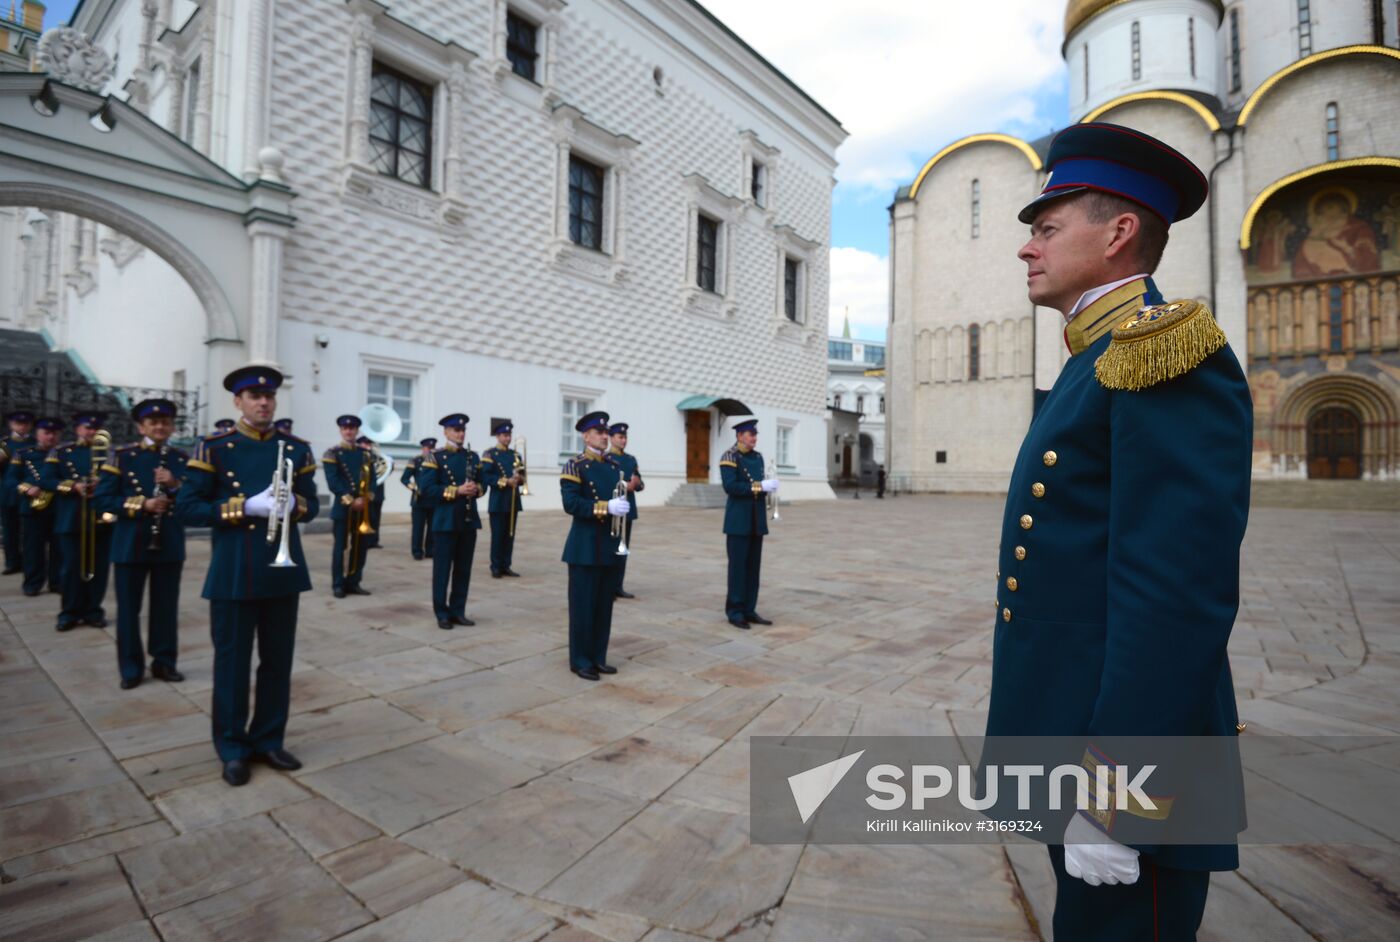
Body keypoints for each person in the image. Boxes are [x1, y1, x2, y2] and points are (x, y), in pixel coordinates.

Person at [985, 122, 1252, 939]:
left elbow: (1173, 598)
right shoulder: (1093, 360)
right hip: (1074, 727)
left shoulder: (1163, 354)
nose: (1028, 249)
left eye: (1047, 228)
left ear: (1119, 232)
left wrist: (1118, 800)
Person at [175, 365, 319, 787]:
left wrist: (295, 505)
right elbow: (188, 509)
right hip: (235, 570)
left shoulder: (296, 449)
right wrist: (243, 507)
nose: (263, 403)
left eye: (269, 396)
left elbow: (311, 503)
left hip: (282, 571)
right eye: (253, 397)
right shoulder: (215, 448)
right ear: (237, 402)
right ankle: (233, 747)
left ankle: (269, 739)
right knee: (232, 664)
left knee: (277, 663)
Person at [95, 399, 188, 689]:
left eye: (165, 422)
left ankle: (164, 662)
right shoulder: (121, 457)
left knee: (165, 608)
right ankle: (131, 667)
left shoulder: (181, 459)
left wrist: (174, 485)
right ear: (141, 426)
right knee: (128, 610)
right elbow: (102, 500)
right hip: (131, 543)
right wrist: (142, 504)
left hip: (169, 542)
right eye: (153, 422)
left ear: (172, 426)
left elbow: (195, 501)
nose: (160, 427)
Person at [559, 411, 628, 680]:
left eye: (605, 432)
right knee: (583, 607)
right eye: (599, 432)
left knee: (603, 607)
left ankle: (599, 656)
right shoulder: (574, 466)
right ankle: (580, 660)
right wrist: (605, 506)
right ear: (586, 436)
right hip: (585, 546)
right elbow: (571, 504)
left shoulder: (613, 466)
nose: (604, 436)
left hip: (608, 545)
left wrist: (620, 506)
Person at [44, 412, 114, 631]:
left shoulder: (110, 454)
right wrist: (73, 486)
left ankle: (93, 611)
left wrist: (102, 485)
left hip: (101, 518)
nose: (91, 432)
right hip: (72, 517)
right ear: (77, 429)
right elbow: (46, 479)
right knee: (72, 568)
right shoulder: (61, 452)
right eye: (86, 428)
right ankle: (69, 612)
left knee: (99, 569)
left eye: (95, 428)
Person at [417, 413, 482, 629]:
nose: (460, 433)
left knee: (463, 569)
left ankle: (458, 610)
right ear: (445, 432)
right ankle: (441, 612)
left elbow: (483, 484)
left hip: (467, 519)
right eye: (456, 430)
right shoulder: (434, 457)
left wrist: (476, 489)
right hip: (445, 521)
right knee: (442, 569)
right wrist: (457, 490)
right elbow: (427, 490)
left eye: (463, 430)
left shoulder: (473, 456)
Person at [719, 418, 777, 629]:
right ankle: (735, 611)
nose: (754, 438)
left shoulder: (758, 457)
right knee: (738, 569)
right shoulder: (729, 457)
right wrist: (760, 486)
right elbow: (731, 486)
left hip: (756, 520)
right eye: (751, 434)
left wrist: (768, 487)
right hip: (738, 521)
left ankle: (749, 609)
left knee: (753, 568)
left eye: (755, 434)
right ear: (740, 436)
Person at [322, 415, 373, 598]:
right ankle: (338, 584)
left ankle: (354, 581)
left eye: (352, 428)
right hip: (343, 507)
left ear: (357, 431)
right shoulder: (332, 453)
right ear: (341, 430)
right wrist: (352, 500)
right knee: (340, 547)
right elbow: (333, 481)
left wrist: (367, 498)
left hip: (363, 508)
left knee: (360, 547)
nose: (349, 431)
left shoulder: (366, 453)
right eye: (345, 428)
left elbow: (372, 480)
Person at [13, 417, 63, 597]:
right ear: (38, 434)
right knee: (33, 549)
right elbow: (12, 479)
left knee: (59, 548)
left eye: (54, 433)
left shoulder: (64, 454)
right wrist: (27, 488)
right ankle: (32, 583)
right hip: (33, 508)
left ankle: (57, 582)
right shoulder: (23, 453)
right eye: (46, 433)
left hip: (58, 507)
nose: (50, 437)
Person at [481, 421, 524, 578]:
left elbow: (523, 477)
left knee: (510, 535)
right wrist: (505, 481)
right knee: (498, 535)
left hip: (513, 500)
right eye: (505, 435)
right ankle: (496, 566)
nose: (508, 438)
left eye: (509, 435)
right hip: (498, 500)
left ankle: (506, 565)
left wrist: (519, 479)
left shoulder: (515, 455)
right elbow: (486, 476)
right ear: (498, 436)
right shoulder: (490, 454)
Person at [607, 421, 643, 598]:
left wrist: (636, 485)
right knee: (610, 550)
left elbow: (640, 483)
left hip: (628, 510)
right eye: (620, 437)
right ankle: (608, 586)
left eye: (625, 437)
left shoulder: (630, 460)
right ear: (612, 438)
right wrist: (624, 485)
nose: (623, 441)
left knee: (623, 550)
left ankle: (618, 586)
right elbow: (605, 484)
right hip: (613, 510)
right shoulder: (607, 458)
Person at [1, 409, 35, 575]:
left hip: (31, 493)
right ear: (11, 424)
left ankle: (29, 562)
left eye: (25, 424)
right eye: (18, 423)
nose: (22, 426)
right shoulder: (4, 445)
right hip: (9, 493)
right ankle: (12, 562)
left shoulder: (36, 443)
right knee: (10, 530)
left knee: (30, 532)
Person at [400, 437, 437, 560]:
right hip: (419, 499)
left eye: (432, 448)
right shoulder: (416, 461)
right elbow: (404, 478)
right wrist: (414, 487)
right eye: (428, 448)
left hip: (433, 499)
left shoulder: (438, 461)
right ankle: (417, 551)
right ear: (423, 448)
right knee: (418, 528)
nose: (430, 450)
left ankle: (430, 550)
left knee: (432, 527)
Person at [357, 435, 385, 549]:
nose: (368, 446)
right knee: (366, 516)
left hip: (378, 492)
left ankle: (374, 540)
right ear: (360, 444)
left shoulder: (377, 457)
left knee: (375, 517)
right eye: (365, 444)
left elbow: (384, 471)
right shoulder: (360, 457)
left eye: (369, 444)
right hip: (364, 492)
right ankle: (365, 540)